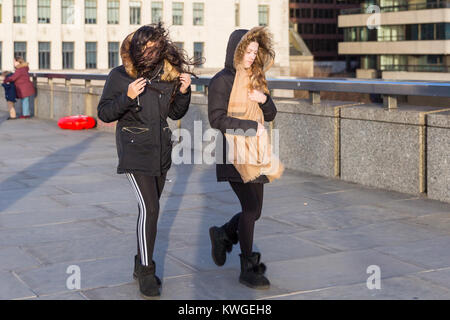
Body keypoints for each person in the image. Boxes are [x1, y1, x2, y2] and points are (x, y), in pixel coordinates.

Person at [97, 23, 200, 299]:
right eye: (144, 47)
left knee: (151, 209)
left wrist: (185, 91)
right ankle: (146, 269)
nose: (149, 52)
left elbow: (175, 112)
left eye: (155, 47)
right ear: (135, 47)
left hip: (161, 150)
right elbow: (105, 113)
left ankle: (139, 258)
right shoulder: (119, 76)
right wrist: (128, 97)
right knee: (150, 209)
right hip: (134, 149)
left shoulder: (167, 75)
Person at [208, 27, 284, 290]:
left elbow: (271, 114)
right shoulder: (222, 80)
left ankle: (224, 233)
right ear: (236, 51)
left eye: (255, 52)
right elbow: (216, 119)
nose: (251, 57)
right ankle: (248, 268)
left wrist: (262, 99)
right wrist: (250, 126)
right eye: (247, 51)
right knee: (251, 208)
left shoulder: (256, 77)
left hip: (257, 152)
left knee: (256, 211)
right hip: (233, 152)